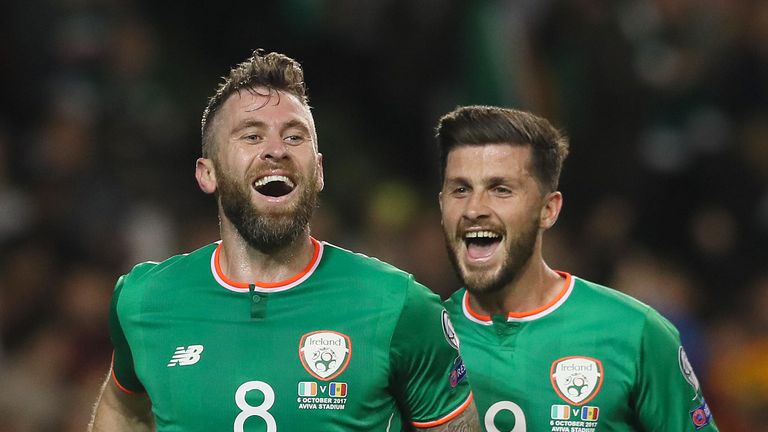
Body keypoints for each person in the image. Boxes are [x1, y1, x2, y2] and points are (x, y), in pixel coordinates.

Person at [89, 50, 479, 432]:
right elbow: (123, 409)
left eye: (295, 137)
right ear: (208, 174)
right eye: (252, 135)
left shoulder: (398, 306)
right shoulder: (146, 299)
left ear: (319, 170)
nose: (276, 150)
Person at [435, 105, 718, 431]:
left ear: (548, 210)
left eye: (501, 190)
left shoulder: (634, 332)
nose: (474, 208)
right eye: (460, 189)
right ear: (442, 204)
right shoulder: (422, 341)